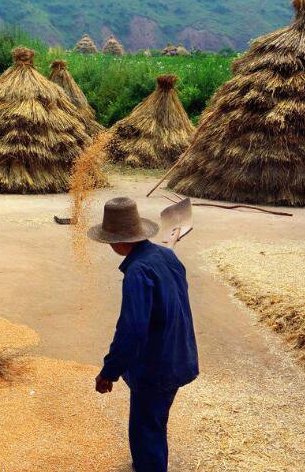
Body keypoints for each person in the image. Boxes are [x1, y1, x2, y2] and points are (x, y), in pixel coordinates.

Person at [87, 197, 198, 472]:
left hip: (156, 366)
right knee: (155, 421)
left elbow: (132, 330)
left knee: (146, 429)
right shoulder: (167, 256)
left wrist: (109, 372)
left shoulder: (137, 272)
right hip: (179, 354)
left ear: (116, 242)